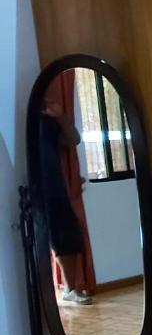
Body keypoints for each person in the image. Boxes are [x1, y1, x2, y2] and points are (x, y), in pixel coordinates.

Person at [39, 94, 93, 305]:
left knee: (67, 234)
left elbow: (73, 139)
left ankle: (71, 289)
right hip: (30, 187)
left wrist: (61, 117)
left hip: (54, 185)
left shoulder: (48, 117)